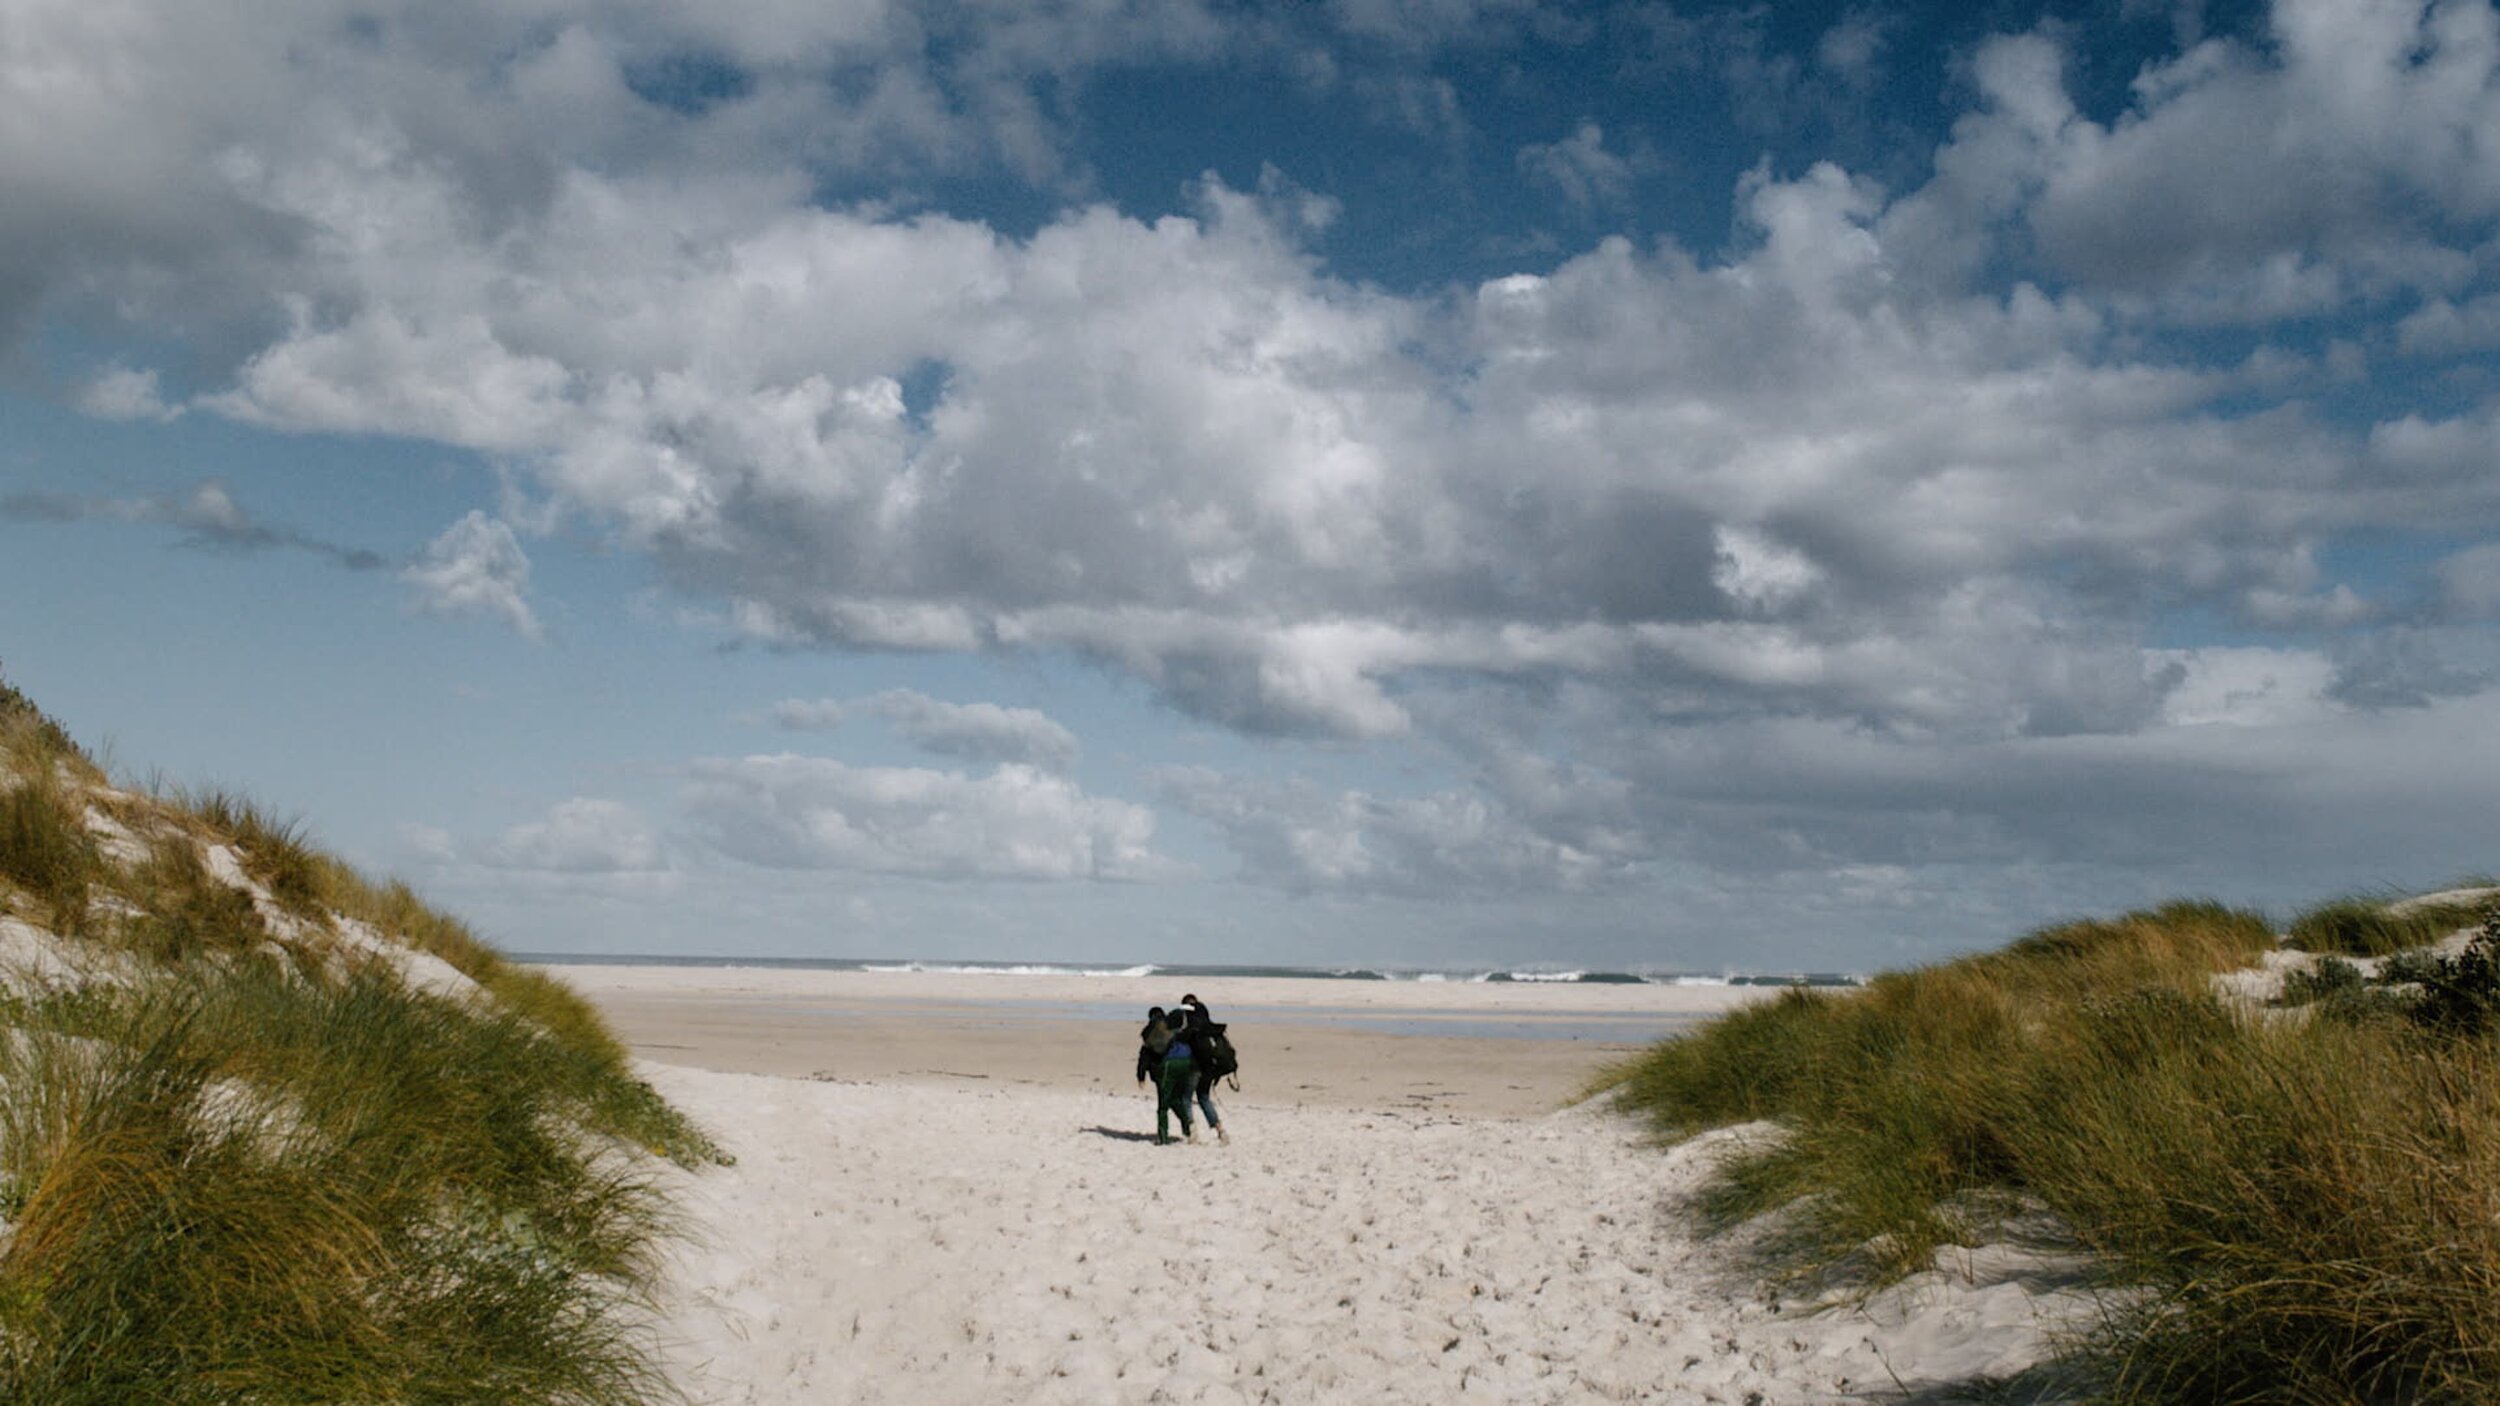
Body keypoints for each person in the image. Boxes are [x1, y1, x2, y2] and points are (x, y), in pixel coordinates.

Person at [1133, 1006, 1196, 1145]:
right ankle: (1188, 1126)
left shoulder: (1151, 1032)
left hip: (1167, 1067)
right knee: (1175, 1099)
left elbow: (1144, 1055)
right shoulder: (1174, 1025)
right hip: (1186, 1064)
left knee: (1163, 1105)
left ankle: (1163, 1137)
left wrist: (1141, 1076)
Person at [1174, 993, 1230, 1144]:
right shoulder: (1209, 1026)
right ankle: (1220, 1131)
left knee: (1185, 1098)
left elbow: (1179, 1042)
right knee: (1204, 1098)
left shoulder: (1190, 1029)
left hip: (1195, 1067)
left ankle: (1193, 1132)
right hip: (1211, 1068)